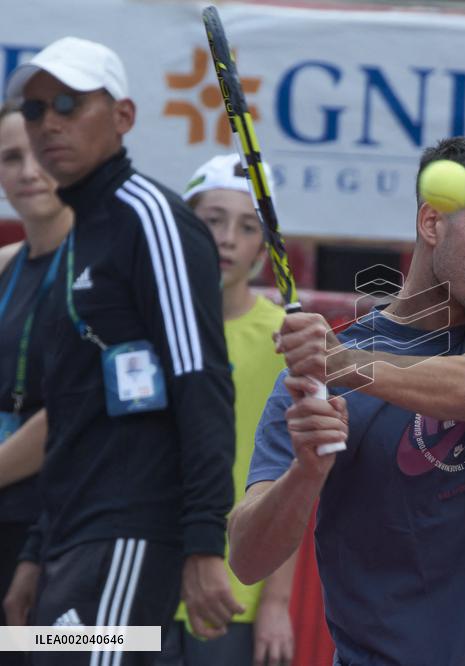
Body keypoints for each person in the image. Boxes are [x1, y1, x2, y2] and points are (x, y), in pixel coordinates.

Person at [228, 136, 465, 665]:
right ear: (432, 222)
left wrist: (345, 365)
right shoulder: (315, 380)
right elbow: (248, 558)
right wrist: (304, 473)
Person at [1, 36, 239, 663]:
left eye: (69, 103)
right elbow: (78, 414)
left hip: (132, 534)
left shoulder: (151, 217)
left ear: (123, 117)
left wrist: (203, 545)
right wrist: (36, 552)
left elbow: (202, 382)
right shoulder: (83, 234)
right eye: (34, 109)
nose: (48, 122)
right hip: (72, 542)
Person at [157, 154, 295, 665]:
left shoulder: (285, 337)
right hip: (137, 588)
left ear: (265, 245)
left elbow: (295, 476)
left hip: (232, 597)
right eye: (211, 220)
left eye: (246, 226)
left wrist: (277, 601)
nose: (227, 239)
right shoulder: (140, 323)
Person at [0, 102, 72, 666]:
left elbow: (79, 404)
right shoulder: (4, 264)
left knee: (65, 651)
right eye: (10, 157)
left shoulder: (106, 267)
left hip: (64, 523)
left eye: (39, 154)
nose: (27, 170)